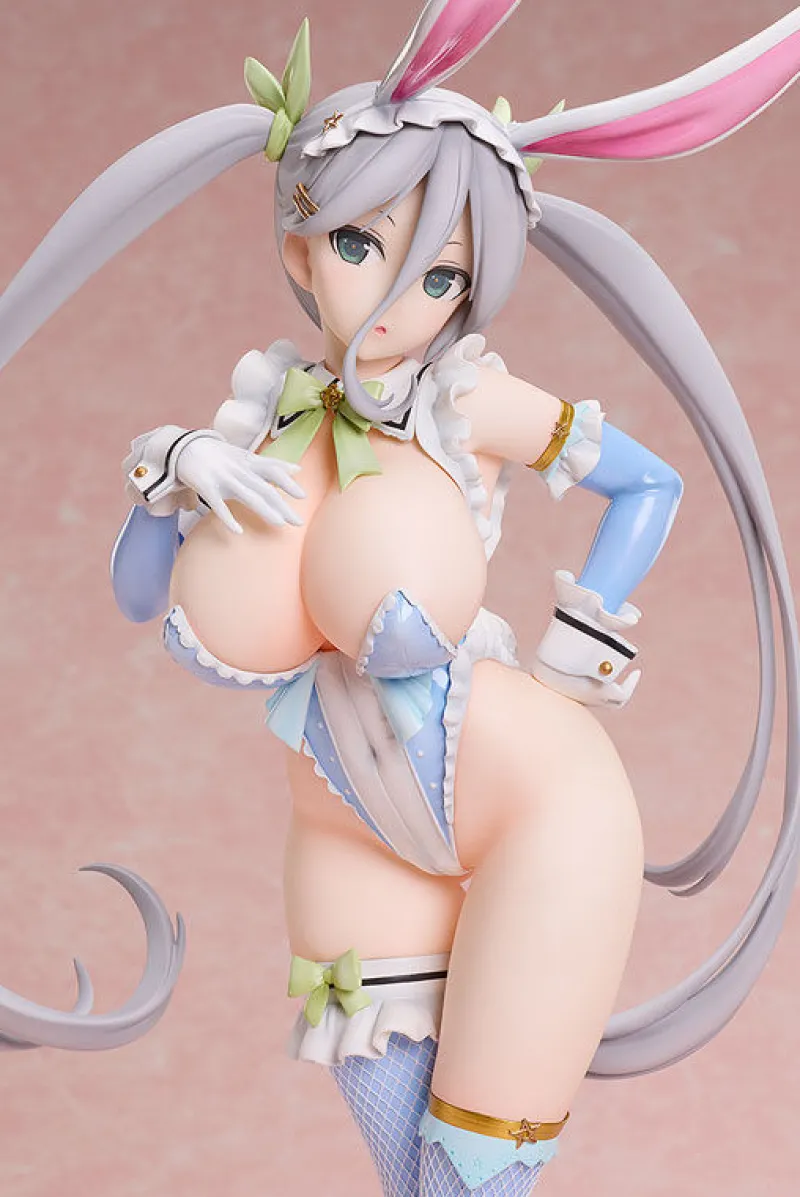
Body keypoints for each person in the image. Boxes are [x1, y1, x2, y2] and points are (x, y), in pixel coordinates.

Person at [1, 1, 799, 1192]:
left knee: (468, 1176)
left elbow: (649, 483)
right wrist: (169, 475)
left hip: (533, 804)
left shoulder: (465, 404)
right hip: (340, 816)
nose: (394, 301)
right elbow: (135, 596)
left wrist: (584, 633)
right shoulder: (253, 422)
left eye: (439, 275)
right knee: (405, 1176)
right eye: (360, 246)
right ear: (300, 250)